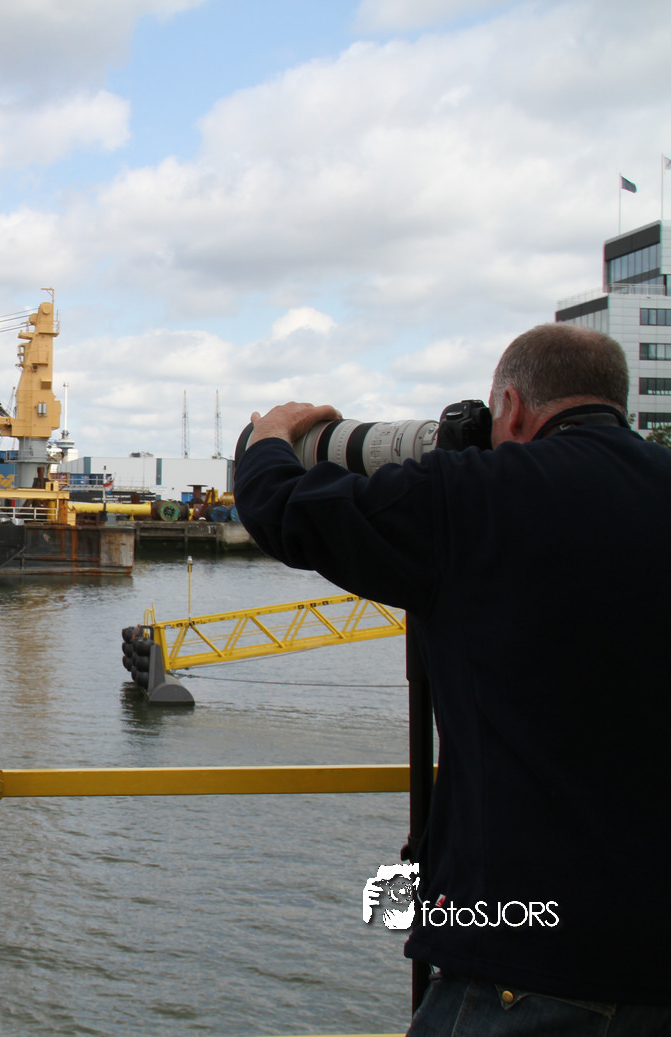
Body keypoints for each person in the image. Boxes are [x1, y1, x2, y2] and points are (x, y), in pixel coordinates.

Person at [233, 323, 671, 1035]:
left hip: (526, 958)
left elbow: (288, 511)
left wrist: (270, 438)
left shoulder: (478, 495)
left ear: (512, 406)